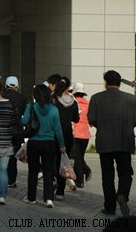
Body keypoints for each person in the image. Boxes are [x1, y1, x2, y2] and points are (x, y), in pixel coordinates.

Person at [87, 70, 136, 216]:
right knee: (126, 172)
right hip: (125, 141)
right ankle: (122, 194)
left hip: (105, 141)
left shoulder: (96, 98)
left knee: (107, 176)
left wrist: (102, 126)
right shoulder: (132, 99)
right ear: (120, 83)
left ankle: (110, 207)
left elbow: (91, 118)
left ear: (106, 83)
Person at [22, 84, 65, 208]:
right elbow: (58, 129)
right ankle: (49, 198)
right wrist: (62, 145)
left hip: (34, 142)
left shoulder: (31, 107)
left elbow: (24, 121)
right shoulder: (54, 109)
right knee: (48, 171)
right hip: (49, 143)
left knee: (33, 171)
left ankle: (31, 198)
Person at [52, 76, 79, 199]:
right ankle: (60, 191)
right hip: (67, 135)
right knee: (63, 162)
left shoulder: (53, 99)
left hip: (53, 134)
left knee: (52, 160)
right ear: (68, 88)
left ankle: (52, 180)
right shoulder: (73, 101)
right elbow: (76, 119)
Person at [2, 75, 27, 189]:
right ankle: (12, 180)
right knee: (13, 157)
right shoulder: (22, 98)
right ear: (17, 87)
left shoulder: (1, 96)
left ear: (5, 86)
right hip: (16, 130)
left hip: (2, 130)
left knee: (2, 155)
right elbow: (25, 115)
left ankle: (3, 178)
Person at [71, 82, 92, 188]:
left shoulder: (72, 103)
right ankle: (85, 171)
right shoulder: (88, 104)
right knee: (80, 156)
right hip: (85, 135)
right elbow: (90, 121)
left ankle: (80, 180)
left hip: (75, 133)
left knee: (77, 158)